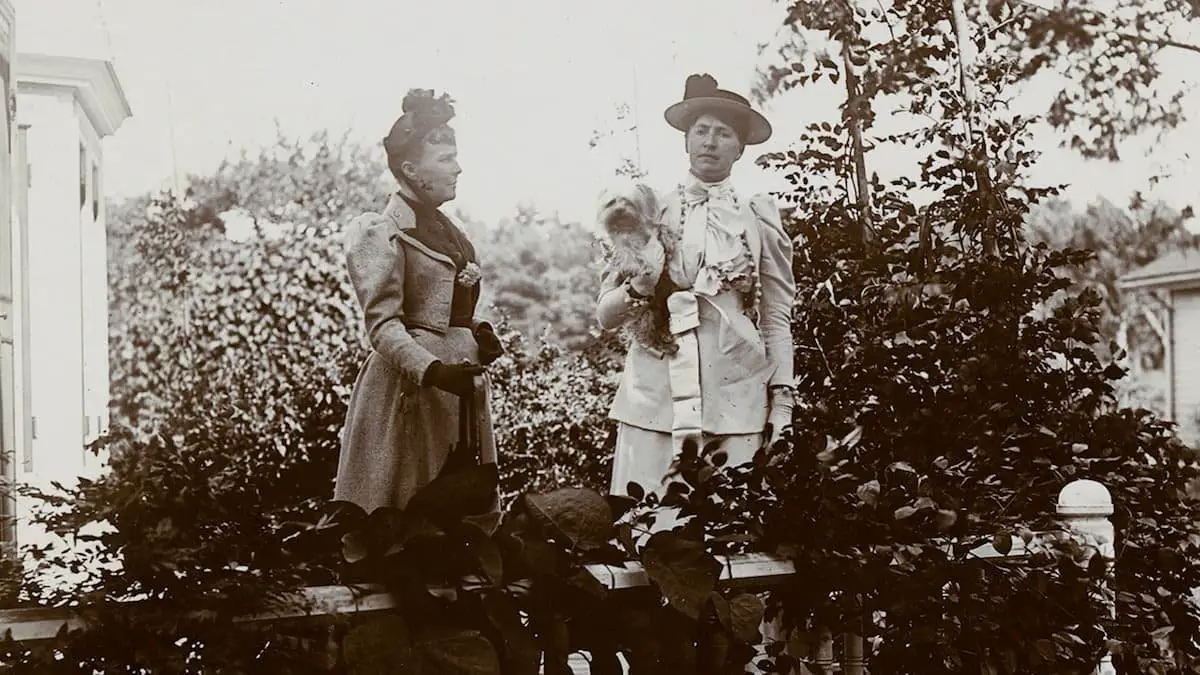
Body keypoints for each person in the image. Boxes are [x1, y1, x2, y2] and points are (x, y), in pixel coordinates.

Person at [598, 73, 796, 500]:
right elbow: (606, 315)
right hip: (655, 398)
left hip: (736, 399)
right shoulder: (647, 212)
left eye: (723, 134)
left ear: (740, 148)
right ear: (686, 140)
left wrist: (782, 401)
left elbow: (777, 316)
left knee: (730, 534)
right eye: (701, 131)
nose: (710, 142)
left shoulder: (758, 217)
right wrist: (641, 286)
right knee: (645, 525)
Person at [334, 89, 503, 514]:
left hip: (459, 385)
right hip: (413, 390)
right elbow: (383, 327)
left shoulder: (450, 229)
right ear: (410, 169)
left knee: (464, 515)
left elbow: (444, 304)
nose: (458, 168)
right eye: (446, 160)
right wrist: (433, 371)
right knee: (410, 512)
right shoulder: (380, 232)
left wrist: (476, 330)